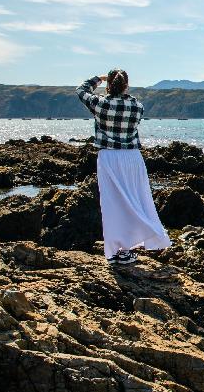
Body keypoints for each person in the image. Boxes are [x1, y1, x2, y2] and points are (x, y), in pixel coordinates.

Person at [76, 69, 171, 265]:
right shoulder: (137, 106)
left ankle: (115, 251)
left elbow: (81, 90)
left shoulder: (100, 104)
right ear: (126, 85)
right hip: (132, 158)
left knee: (113, 205)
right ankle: (130, 247)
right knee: (136, 200)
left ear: (108, 85)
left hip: (109, 157)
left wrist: (98, 80)